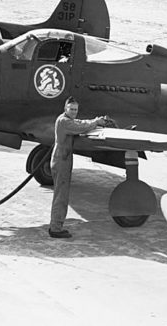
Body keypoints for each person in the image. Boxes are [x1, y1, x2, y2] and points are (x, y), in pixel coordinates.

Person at [48, 96, 109, 239]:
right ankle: (55, 228)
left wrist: (96, 120)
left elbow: (81, 122)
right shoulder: (64, 121)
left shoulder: (67, 119)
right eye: (71, 109)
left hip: (63, 158)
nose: (74, 112)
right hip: (61, 160)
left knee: (61, 194)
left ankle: (56, 225)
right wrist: (96, 122)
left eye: (76, 109)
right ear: (65, 109)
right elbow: (80, 127)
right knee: (61, 196)